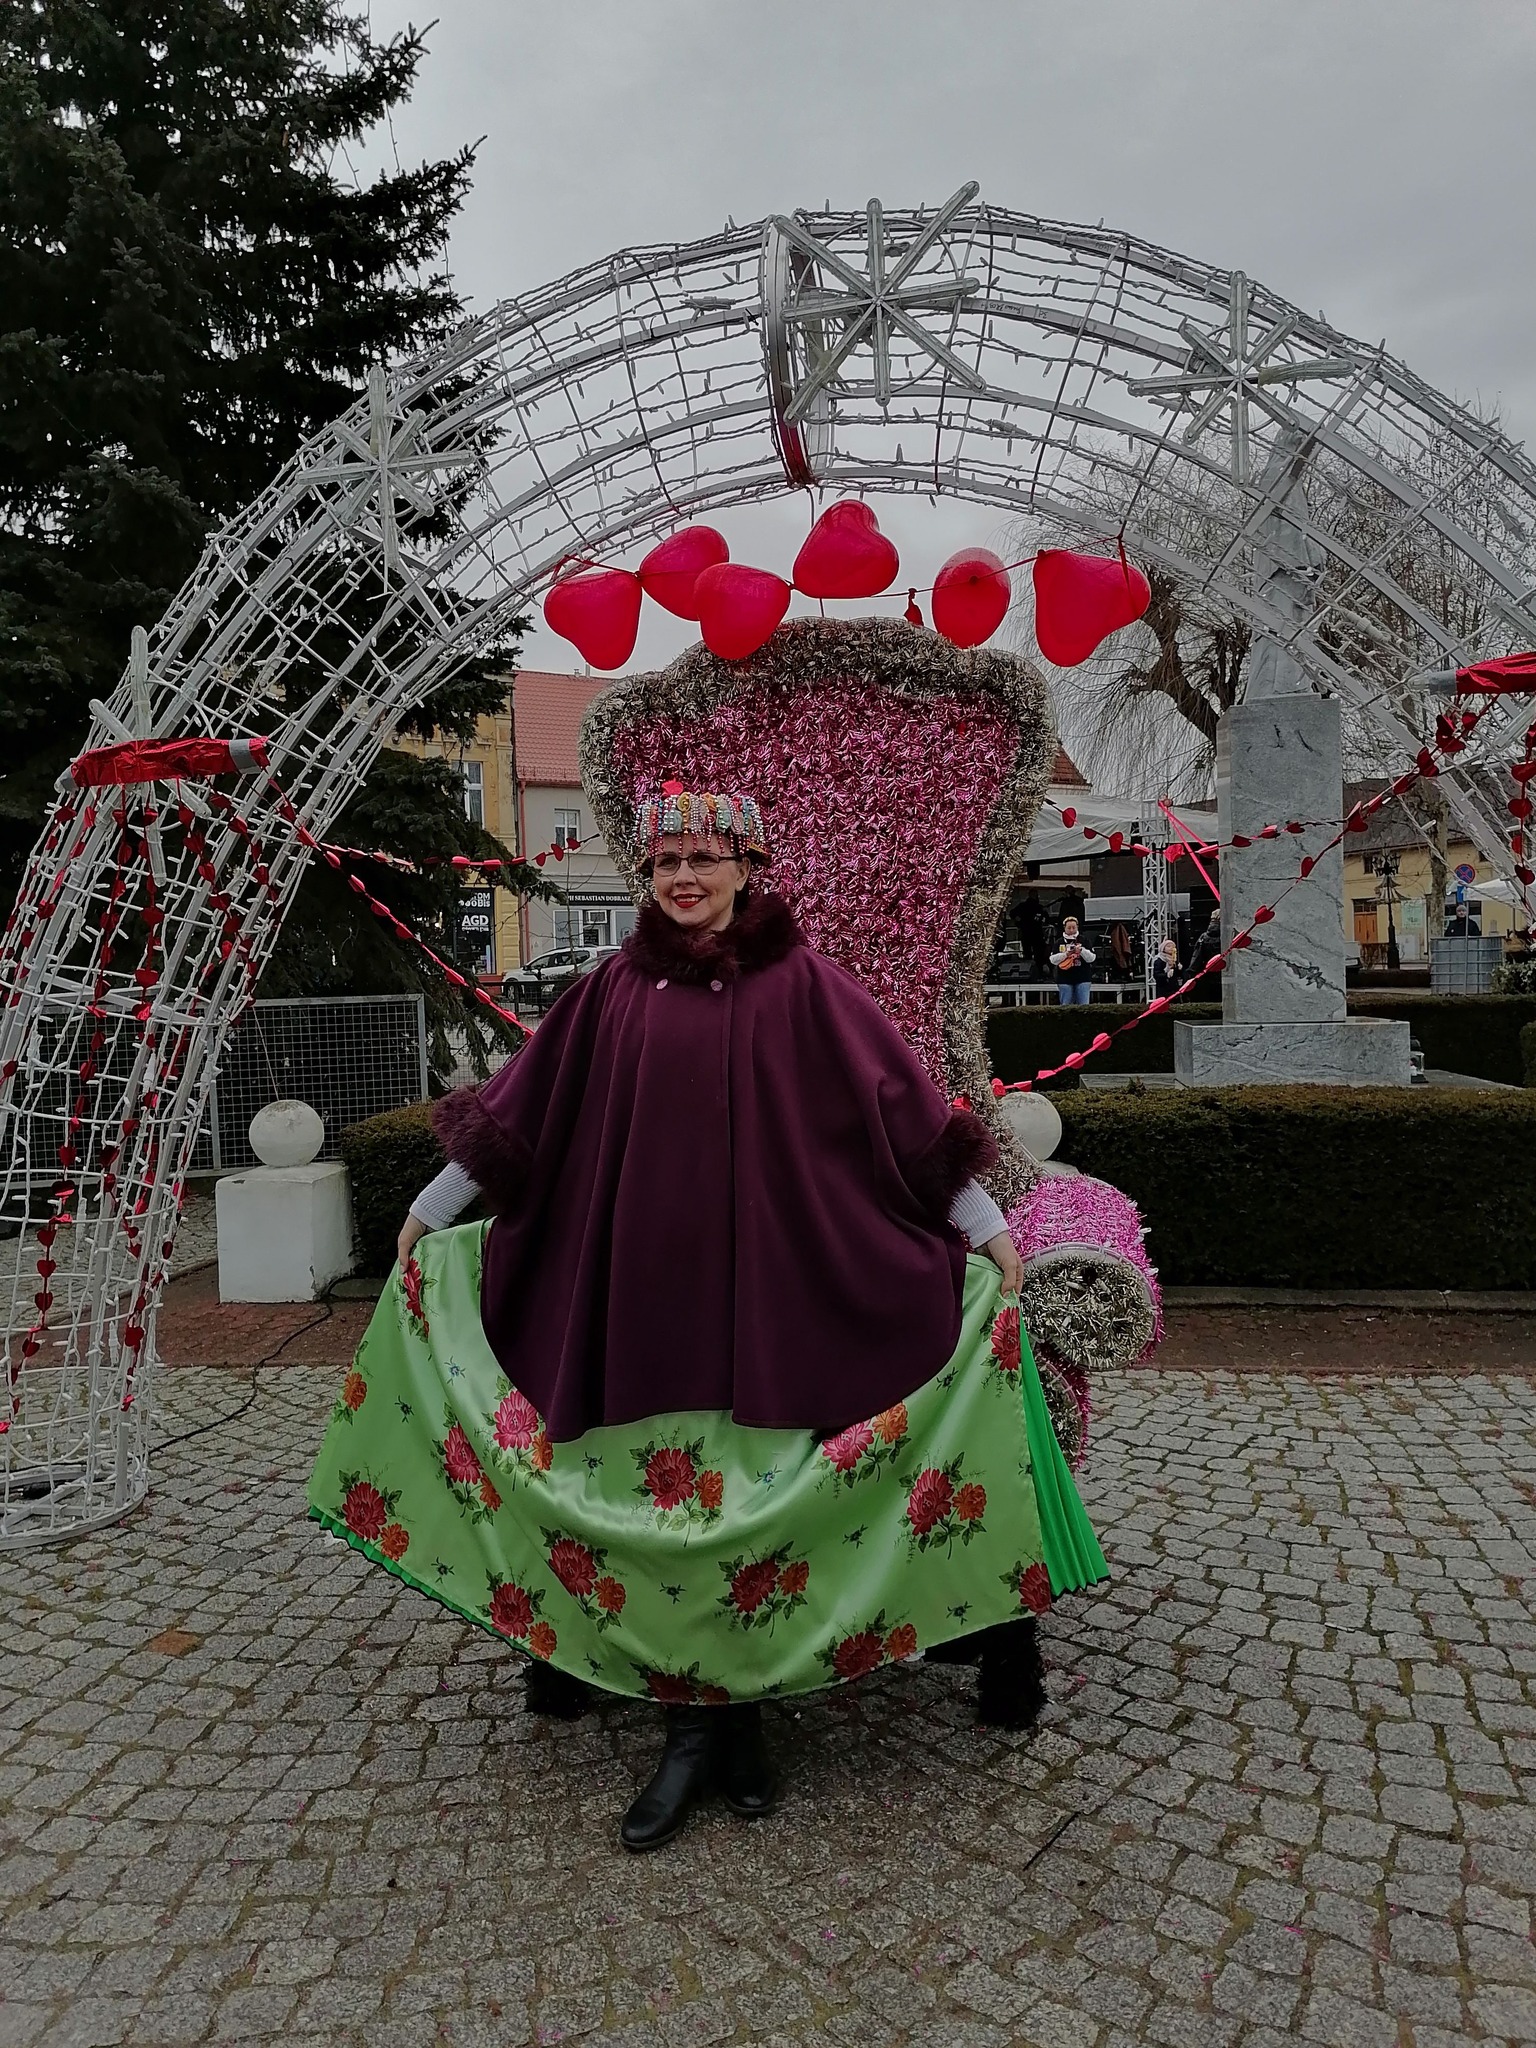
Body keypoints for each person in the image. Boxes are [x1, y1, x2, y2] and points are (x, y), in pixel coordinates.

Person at [309, 788, 1107, 1853]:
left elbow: (901, 1114)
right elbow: (524, 1111)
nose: (683, 877)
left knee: (749, 1520)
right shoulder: (612, 992)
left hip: (774, 1311)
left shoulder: (809, 987)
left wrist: (986, 1228)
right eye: (665, 861)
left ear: (748, 865)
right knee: (664, 1518)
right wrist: (426, 1211)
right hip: (640, 1310)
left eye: (704, 857)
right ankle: (694, 1730)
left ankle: (739, 1721)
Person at [1049, 916, 1096, 1004]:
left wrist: (1081, 951)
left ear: (1077, 927)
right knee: (1066, 1005)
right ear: (1064, 928)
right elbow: (1052, 960)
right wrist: (1066, 954)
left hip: (1083, 978)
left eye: (1073, 927)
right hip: (1064, 979)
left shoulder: (1084, 940)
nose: (1071, 930)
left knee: (1083, 1006)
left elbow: (1092, 958)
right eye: (1069, 928)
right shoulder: (1059, 942)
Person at [1187, 908, 1225, 986]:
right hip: (1227, 972)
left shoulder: (1204, 937)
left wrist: (1191, 974)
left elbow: (1197, 956)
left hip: (1209, 974)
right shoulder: (1228, 935)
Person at [1151, 936, 1182, 1001]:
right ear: (1163, 949)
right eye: (1168, 946)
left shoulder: (1174, 959)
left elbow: (1177, 975)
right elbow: (1156, 975)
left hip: (1173, 988)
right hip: (1163, 989)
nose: (1171, 948)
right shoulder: (1159, 960)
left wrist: (1179, 969)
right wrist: (1166, 975)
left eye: (1173, 947)